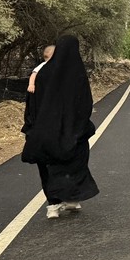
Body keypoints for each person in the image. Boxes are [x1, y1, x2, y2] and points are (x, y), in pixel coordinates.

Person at [20, 35, 99, 219]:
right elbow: (85, 104)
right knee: (74, 164)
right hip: (73, 132)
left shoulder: (43, 74)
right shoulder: (78, 75)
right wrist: (78, 127)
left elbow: (32, 103)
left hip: (45, 132)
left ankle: (53, 205)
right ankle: (72, 198)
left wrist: (32, 127)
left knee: (48, 167)